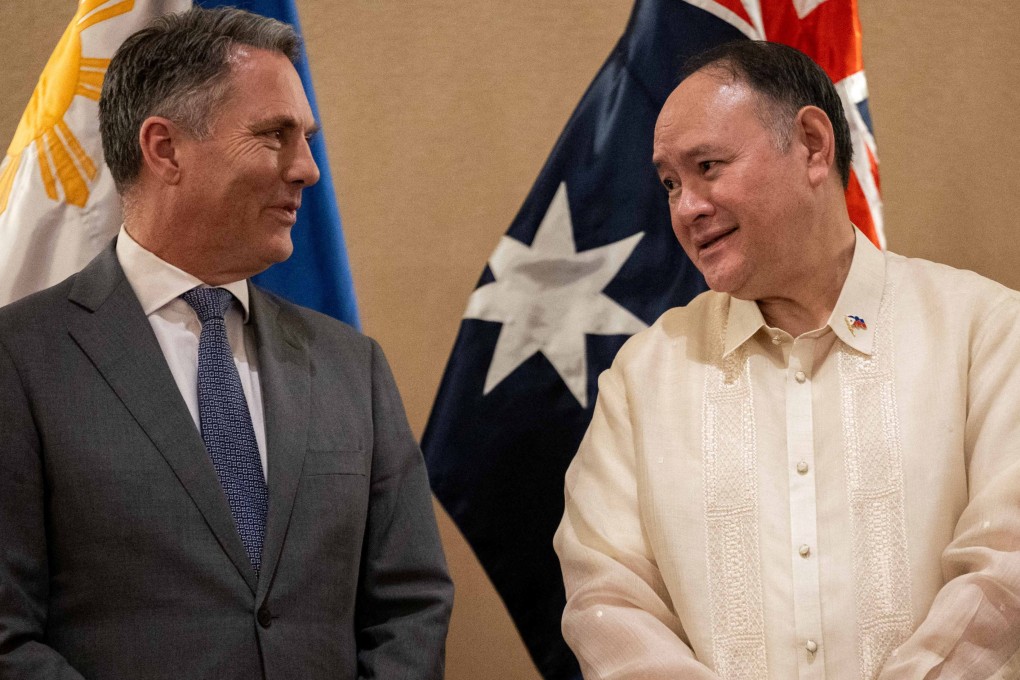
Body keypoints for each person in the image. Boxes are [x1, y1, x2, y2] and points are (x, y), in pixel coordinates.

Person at [0, 7, 452, 679]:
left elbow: (412, 608)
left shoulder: (351, 366)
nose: (307, 170)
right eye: (275, 135)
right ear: (165, 149)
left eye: (307, 138)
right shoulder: (21, 357)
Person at [554, 40, 1020, 680]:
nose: (686, 207)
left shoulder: (984, 331)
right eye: (670, 183)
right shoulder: (644, 375)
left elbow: (1006, 568)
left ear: (811, 144)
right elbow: (606, 596)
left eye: (708, 166)